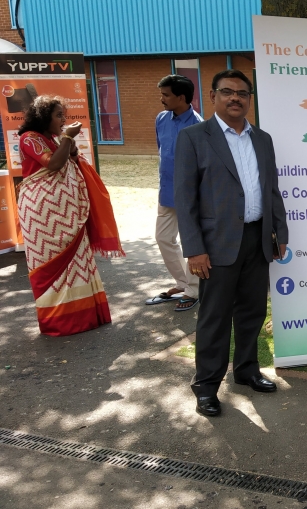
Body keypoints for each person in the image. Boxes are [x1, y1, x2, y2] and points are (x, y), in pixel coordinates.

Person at [175, 69, 289, 417]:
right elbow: (185, 198)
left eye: (242, 93)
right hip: (216, 243)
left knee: (252, 311)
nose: (235, 98)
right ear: (213, 96)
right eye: (227, 92)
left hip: (257, 239)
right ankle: (206, 386)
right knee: (215, 317)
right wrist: (194, 248)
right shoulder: (194, 137)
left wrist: (280, 233)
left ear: (250, 99)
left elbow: (272, 190)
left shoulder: (263, 139)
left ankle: (247, 370)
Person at [16, 96, 123, 336]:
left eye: (63, 115)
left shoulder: (53, 139)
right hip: (43, 217)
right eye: (58, 116)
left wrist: (69, 145)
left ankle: (86, 316)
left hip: (69, 215)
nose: (63, 120)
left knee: (78, 261)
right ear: (44, 117)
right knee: (52, 268)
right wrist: (67, 139)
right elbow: (52, 165)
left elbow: (70, 161)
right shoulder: (29, 139)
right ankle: (62, 322)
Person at [145, 75, 203, 312]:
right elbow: (163, 152)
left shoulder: (199, 125)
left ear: (181, 97)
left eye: (166, 95)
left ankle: (195, 289)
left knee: (192, 243)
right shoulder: (161, 119)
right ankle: (184, 283)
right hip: (167, 192)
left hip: (191, 195)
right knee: (163, 238)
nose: (162, 99)